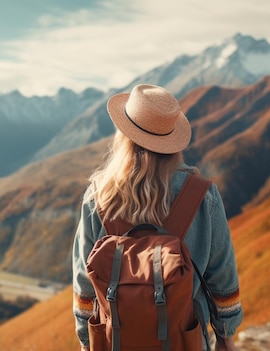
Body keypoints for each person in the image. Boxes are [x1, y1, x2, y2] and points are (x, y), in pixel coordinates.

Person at [72, 84, 242, 351]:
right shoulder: (203, 196)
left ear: (124, 137)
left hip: (115, 341)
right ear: (173, 143)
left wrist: (86, 340)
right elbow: (222, 278)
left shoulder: (98, 197)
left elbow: (85, 283)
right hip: (185, 341)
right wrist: (225, 336)